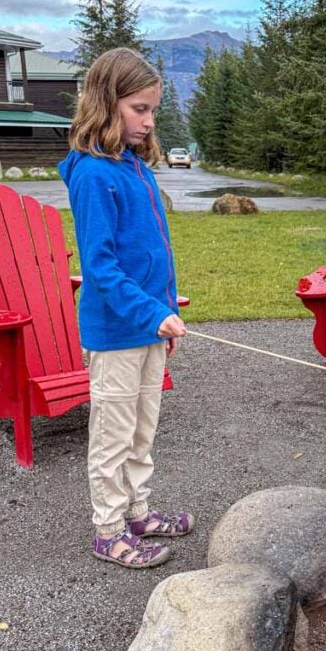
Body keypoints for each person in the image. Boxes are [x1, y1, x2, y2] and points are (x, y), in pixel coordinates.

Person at [59, 47, 194, 567]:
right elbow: (101, 268)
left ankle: (139, 511)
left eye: (153, 110)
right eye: (139, 108)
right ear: (106, 102)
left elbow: (154, 254)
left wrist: (164, 316)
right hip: (115, 332)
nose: (148, 120)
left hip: (147, 326)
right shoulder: (95, 175)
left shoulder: (134, 167)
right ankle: (109, 529)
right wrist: (148, 313)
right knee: (113, 435)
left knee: (143, 427)